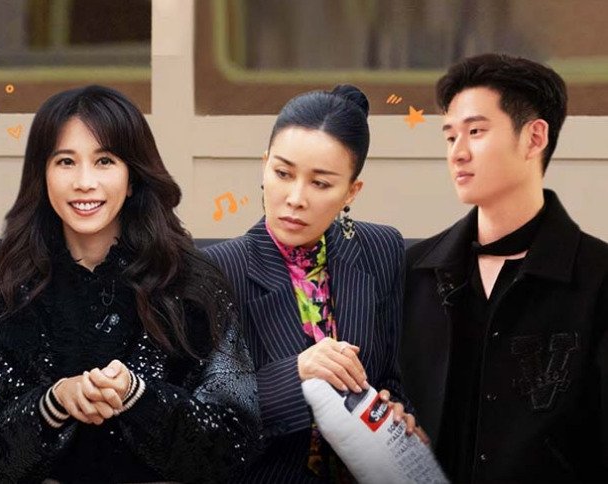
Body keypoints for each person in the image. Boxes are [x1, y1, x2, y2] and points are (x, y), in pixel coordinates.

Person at [0, 85, 261, 483]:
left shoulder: (192, 286)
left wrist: (137, 396)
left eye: (104, 161)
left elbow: (235, 443)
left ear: (132, 178)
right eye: (65, 161)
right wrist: (54, 403)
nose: (84, 182)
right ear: (42, 174)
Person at [400, 53, 608, 482]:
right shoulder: (413, 272)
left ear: (534, 137)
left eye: (475, 131)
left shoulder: (599, 277)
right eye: (450, 136)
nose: (458, 153)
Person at [204, 85, 423, 483]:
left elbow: (389, 377)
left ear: (352, 191)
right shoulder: (218, 269)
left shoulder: (381, 249)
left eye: (320, 183)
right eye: (282, 173)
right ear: (264, 165)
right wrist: (298, 372)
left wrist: (396, 412)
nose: (295, 198)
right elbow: (206, 418)